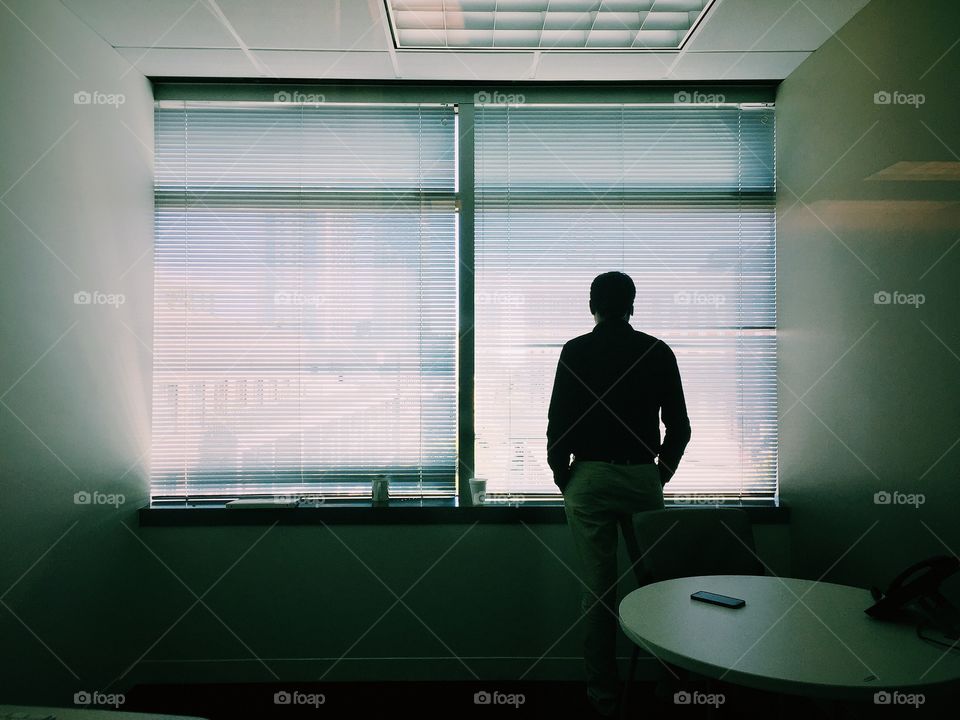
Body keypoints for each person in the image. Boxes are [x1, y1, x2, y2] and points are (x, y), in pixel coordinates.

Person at [547, 271, 691, 717]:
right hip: (640, 475)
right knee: (657, 587)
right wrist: (659, 474)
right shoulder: (656, 351)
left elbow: (559, 426)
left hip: (588, 476)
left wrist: (564, 476)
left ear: (592, 305)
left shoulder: (576, 351)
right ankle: (669, 688)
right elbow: (679, 427)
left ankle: (603, 698)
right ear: (633, 305)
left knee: (598, 591)